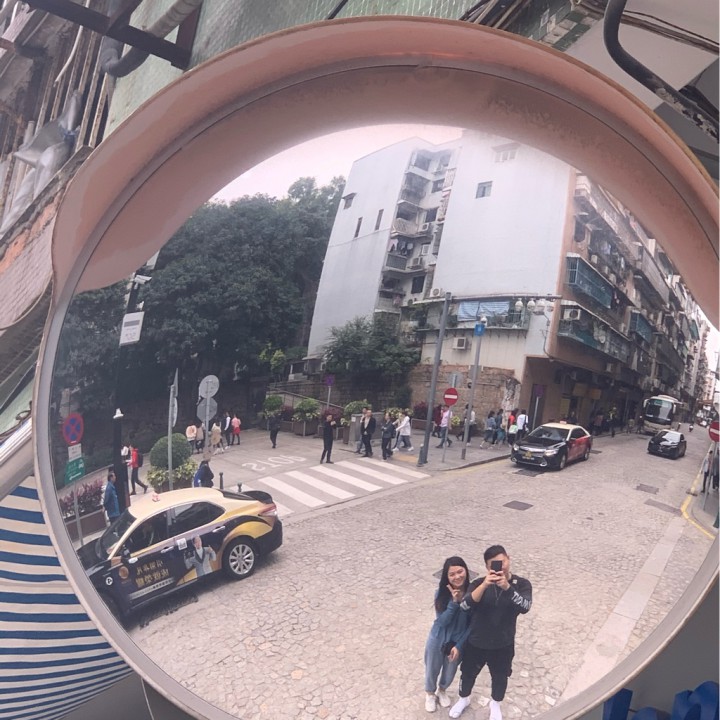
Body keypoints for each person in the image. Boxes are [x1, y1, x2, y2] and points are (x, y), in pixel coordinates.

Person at [450, 545, 532, 720]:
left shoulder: (522, 584)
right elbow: (464, 606)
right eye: (494, 565)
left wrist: (507, 588)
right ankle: (464, 699)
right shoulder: (478, 583)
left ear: (508, 559)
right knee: (467, 674)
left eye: (502, 562)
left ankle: (495, 704)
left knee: (500, 677)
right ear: (487, 567)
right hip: (476, 642)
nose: (500, 567)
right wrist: (485, 585)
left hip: (503, 643)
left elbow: (525, 607)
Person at [424, 556, 472, 713]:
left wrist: (460, 645)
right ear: (447, 577)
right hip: (438, 637)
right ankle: (430, 693)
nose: (457, 577)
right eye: (452, 574)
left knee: (450, 670)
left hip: (457, 641)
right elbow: (441, 622)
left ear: (466, 571)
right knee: (432, 667)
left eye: (460, 571)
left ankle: (442, 690)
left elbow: (472, 625)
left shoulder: (473, 594)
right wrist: (454, 602)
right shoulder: (441, 593)